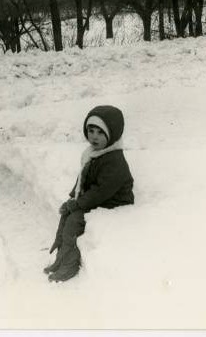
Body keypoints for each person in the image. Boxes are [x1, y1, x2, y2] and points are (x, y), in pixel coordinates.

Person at [44, 105, 134, 282]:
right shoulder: (93, 153)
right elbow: (83, 178)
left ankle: (70, 266)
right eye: (91, 130)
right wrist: (73, 198)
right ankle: (61, 258)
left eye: (100, 133)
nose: (94, 136)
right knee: (65, 215)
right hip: (97, 199)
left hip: (113, 202)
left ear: (112, 134)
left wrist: (78, 204)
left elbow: (101, 191)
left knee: (73, 221)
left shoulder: (114, 160)